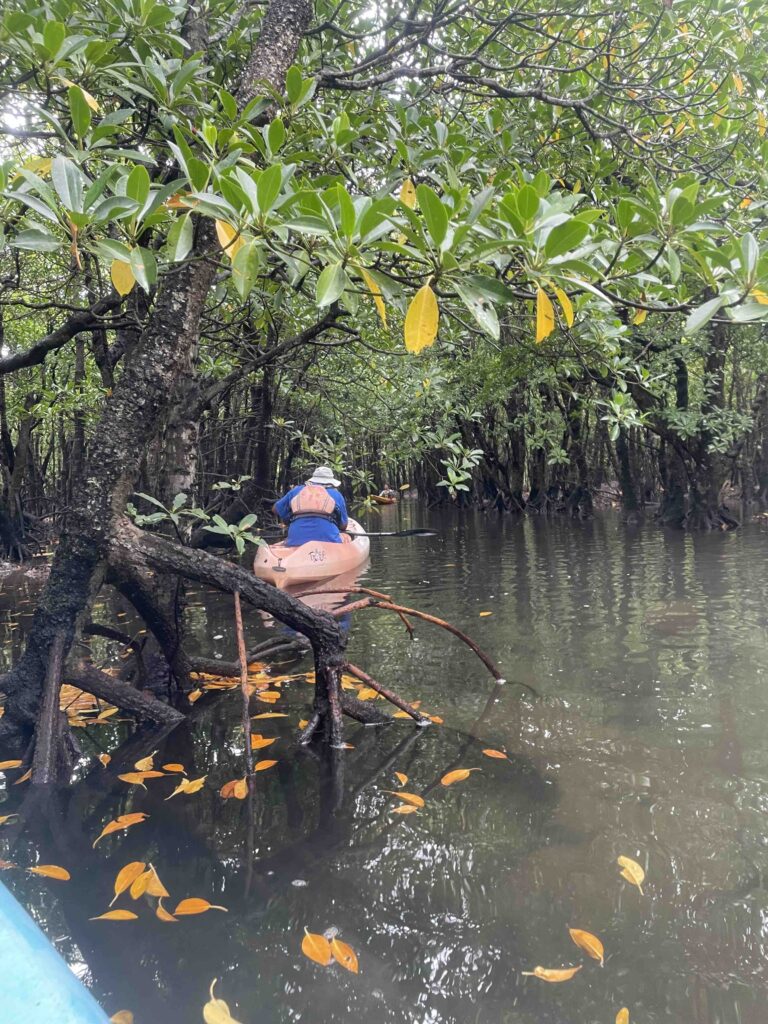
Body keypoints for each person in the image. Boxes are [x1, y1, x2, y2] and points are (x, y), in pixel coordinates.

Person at [272, 466, 349, 546]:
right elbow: (343, 526)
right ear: (331, 482)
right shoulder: (336, 494)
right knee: (345, 537)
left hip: (296, 539)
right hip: (329, 540)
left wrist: (288, 517)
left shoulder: (296, 490)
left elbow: (275, 509)